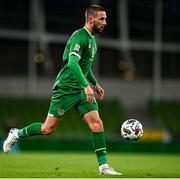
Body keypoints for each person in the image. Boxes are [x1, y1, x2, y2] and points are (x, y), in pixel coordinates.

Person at [3, 5, 122, 175]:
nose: (105, 22)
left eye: (106, 19)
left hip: (81, 90)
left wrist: (94, 83)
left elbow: (84, 66)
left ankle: (103, 167)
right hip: (65, 88)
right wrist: (87, 86)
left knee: (97, 124)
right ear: (90, 19)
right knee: (47, 129)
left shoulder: (92, 41)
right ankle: (16, 134)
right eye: (102, 19)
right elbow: (72, 63)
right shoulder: (79, 37)